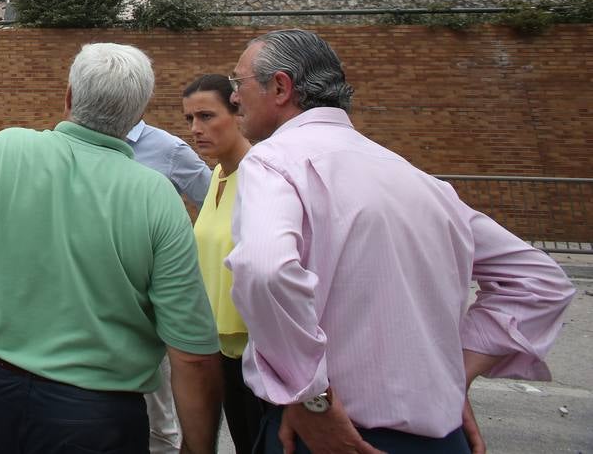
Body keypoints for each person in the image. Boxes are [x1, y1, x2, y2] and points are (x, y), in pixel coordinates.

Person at [227, 29, 576, 454]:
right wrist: (457, 372)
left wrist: (309, 396)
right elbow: (540, 280)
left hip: (334, 435)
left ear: (280, 87)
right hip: (443, 438)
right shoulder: (417, 179)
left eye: (237, 83)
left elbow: (265, 270)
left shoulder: (273, 162)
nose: (234, 99)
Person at [0, 42, 223, 454]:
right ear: (138, 112)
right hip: (101, 410)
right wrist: (198, 448)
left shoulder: (5, 150)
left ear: (70, 96)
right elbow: (192, 353)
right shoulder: (158, 196)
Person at [182, 73, 269, 454]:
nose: (195, 130)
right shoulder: (217, 173)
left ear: (237, 114)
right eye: (189, 120)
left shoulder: (262, 177)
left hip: (259, 350)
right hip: (219, 348)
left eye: (206, 116)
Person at [126, 107, 214, 452]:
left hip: (151, 299)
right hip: (98, 296)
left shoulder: (168, 149)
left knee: (156, 410)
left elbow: (215, 204)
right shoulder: (81, 146)